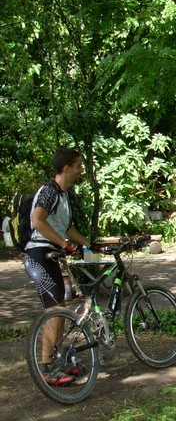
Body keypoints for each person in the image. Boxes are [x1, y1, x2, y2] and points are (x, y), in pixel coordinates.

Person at [24, 147, 91, 385]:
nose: (81, 170)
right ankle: (46, 367)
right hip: (38, 255)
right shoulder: (49, 192)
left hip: (51, 255)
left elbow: (67, 227)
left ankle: (58, 362)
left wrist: (88, 244)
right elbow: (37, 221)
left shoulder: (64, 195)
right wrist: (64, 243)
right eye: (78, 166)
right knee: (54, 310)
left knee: (59, 308)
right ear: (66, 168)